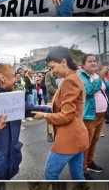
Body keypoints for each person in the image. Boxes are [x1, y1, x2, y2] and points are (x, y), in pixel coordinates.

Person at [32, 47, 89, 180]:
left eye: (53, 67)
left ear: (64, 62)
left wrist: (44, 116)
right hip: (77, 136)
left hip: (68, 138)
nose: (52, 71)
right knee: (78, 175)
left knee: (50, 174)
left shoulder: (69, 81)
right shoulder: (74, 77)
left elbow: (66, 116)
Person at [78, 54, 109, 177]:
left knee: (95, 140)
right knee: (86, 143)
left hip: (102, 115)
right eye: (90, 61)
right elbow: (88, 91)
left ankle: (90, 162)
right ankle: (82, 169)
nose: (93, 63)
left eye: (95, 61)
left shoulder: (97, 76)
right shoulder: (81, 77)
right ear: (83, 65)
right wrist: (101, 77)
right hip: (89, 115)